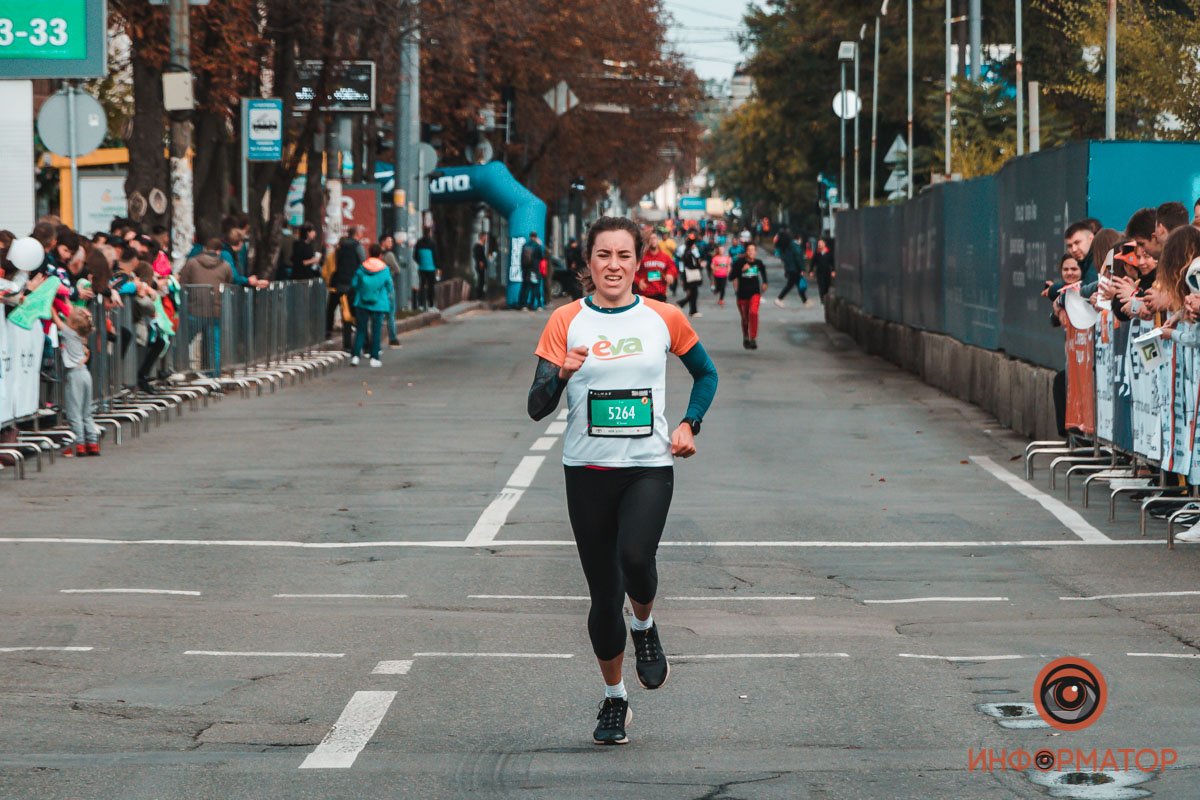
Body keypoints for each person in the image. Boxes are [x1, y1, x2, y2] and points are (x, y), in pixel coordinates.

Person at [527, 216, 718, 746]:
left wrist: (688, 422)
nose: (614, 265)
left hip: (648, 467)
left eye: (624, 256)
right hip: (586, 473)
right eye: (603, 255)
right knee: (602, 597)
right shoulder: (566, 320)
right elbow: (536, 407)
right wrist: (562, 373)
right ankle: (615, 699)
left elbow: (707, 374)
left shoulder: (663, 317)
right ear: (588, 263)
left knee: (636, 557)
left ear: (639, 262)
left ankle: (646, 627)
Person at [180, 238, 234, 376]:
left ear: (205, 249)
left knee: (182, 342)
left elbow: (183, 282)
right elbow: (229, 283)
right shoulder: (226, 266)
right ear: (219, 251)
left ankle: (177, 369)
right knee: (214, 347)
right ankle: (214, 376)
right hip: (215, 311)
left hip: (194, 309)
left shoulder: (191, 263)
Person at [53, 305, 100, 457]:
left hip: (74, 375)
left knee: (74, 412)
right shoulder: (82, 335)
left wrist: (50, 304)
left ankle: (78, 443)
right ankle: (92, 442)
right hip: (85, 373)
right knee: (86, 412)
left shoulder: (69, 333)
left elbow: (57, 321)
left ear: (72, 324)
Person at [349, 243, 395, 368]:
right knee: (376, 331)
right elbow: (389, 286)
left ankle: (355, 356)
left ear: (369, 253)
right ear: (380, 255)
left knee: (361, 330)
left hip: (361, 303)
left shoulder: (362, 268)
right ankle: (374, 358)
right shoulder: (385, 269)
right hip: (379, 304)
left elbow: (354, 284)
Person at [328, 225, 366, 349]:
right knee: (358, 314)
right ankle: (367, 344)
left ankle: (346, 343)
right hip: (352, 284)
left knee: (344, 314)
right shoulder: (357, 246)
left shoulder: (340, 247)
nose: (362, 234)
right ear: (356, 234)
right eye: (361, 232)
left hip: (339, 283)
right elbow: (363, 264)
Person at [731, 242, 767, 349]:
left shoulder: (758, 263)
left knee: (754, 312)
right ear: (746, 252)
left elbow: (764, 274)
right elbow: (731, 276)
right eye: (749, 250)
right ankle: (746, 337)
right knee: (745, 318)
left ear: (756, 252)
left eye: (753, 250)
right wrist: (741, 270)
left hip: (755, 293)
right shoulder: (739, 262)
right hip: (742, 295)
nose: (751, 252)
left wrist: (765, 283)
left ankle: (753, 338)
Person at [635, 230, 677, 303]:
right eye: (650, 239)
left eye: (654, 238)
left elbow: (672, 267)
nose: (653, 240)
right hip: (645, 294)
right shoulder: (642, 257)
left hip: (660, 293)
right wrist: (638, 281)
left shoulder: (665, 257)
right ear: (648, 242)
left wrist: (670, 274)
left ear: (658, 240)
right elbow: (632, 272)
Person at [774, 229, 809, 308]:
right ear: (799, 239)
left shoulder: (787, 246)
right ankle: (779, 299)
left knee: (796, 284)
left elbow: (786, 259)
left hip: (791, 269)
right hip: (795, 269)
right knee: (791, 285)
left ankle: (805, 301)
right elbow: (798, 259)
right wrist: (802, 269)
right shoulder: (795, 246)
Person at [380, 233, 403, 347]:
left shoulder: (376, 254)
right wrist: (389, 274)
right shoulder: (389, 255)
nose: (391, 244)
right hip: (388, 287)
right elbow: (397, 270)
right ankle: (393, 338)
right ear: (383, 242)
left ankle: (374, 339)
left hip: (376, 287)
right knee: (390, 314)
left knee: (378, 314)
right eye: (389, 241)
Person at [676, 233, 704, 318]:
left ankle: (692, 310)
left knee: (693, 294)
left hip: (688, 276)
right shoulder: (688, 253)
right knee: (693, 294)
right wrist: (699, 265)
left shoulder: (688, 252)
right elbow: (691, 265)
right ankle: (684, 305)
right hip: (689, 277)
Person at [518, 231, 544, 311]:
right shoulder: (537, 246)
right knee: (536, 287)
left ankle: (524, 305)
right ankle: (538, 305)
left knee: (526, 288)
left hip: (526, 271)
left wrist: (523, 269)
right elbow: (541, 257)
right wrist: (540, 244)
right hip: (535, 270)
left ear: (530, 236)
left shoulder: (525, 245)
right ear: (536, 237)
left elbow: (521, 258)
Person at [811, 238, 834, 303]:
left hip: (827, 272)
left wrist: (833, 271)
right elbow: (813, 262)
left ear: (824, 244)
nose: (819, 245)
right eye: (818, 244)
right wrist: (811, 271)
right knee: (821, 285)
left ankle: (826, 297)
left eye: (820, 243)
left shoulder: (829, 252)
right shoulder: (817, 253)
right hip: (819, 272)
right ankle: (822, 299)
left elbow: (832, 262)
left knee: (827, 285)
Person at [471, 231, 489, 300]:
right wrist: (480, 262)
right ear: (482, 237)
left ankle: (480, 294)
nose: (486, 238)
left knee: (482, 280)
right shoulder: (478, 246)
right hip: (480, 265)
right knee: (480, 280)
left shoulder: (481, 245)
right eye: (485, 237)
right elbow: (477, 256)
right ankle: (479, 296)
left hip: (482, 265)